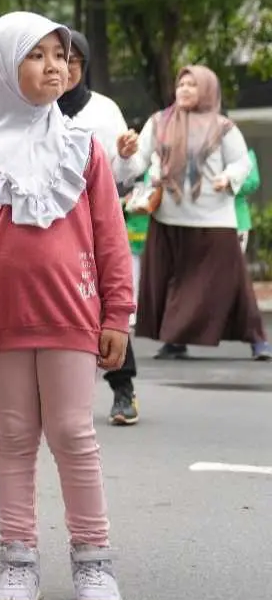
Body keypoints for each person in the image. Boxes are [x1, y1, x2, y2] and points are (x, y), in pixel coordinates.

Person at [0, 12, 132, 600]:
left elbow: (111, 239)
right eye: (37, 54)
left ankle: (94, 563)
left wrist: (117, 314)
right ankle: (17, 563)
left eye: (61, 55)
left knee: (73, 433)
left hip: (74, 316)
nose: (55, 66)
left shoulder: (83, 149)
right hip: (0, 321)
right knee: (14, 436)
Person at [112, 65, 271, 361]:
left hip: (215, 219)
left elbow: (242, 163)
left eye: (192, 85)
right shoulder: (159, 123)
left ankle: (256, 339)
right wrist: (125, 155)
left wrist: (228, 177)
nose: (184, 89)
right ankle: (174, 340)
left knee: (232, 283)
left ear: (208, 90)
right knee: (173, 280)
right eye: (181, 84)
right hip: (169, 218)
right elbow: (139, 163)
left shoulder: (224, 127)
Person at [58, 30, 141, 426]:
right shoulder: (31, 108)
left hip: (97, 221)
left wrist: (125, 157)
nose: (64, 69)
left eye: (73, 62)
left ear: (83, 67)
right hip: (52, 228)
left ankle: (122, 388)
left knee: (108, 304)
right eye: (58, 59)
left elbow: (127, 174)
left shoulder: (104, 111)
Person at [235, 148, 260, 252]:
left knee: (233, 265)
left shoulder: (246, 152)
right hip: (209, 220)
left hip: (238, 220)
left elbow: (253, 182)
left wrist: (229, 184)